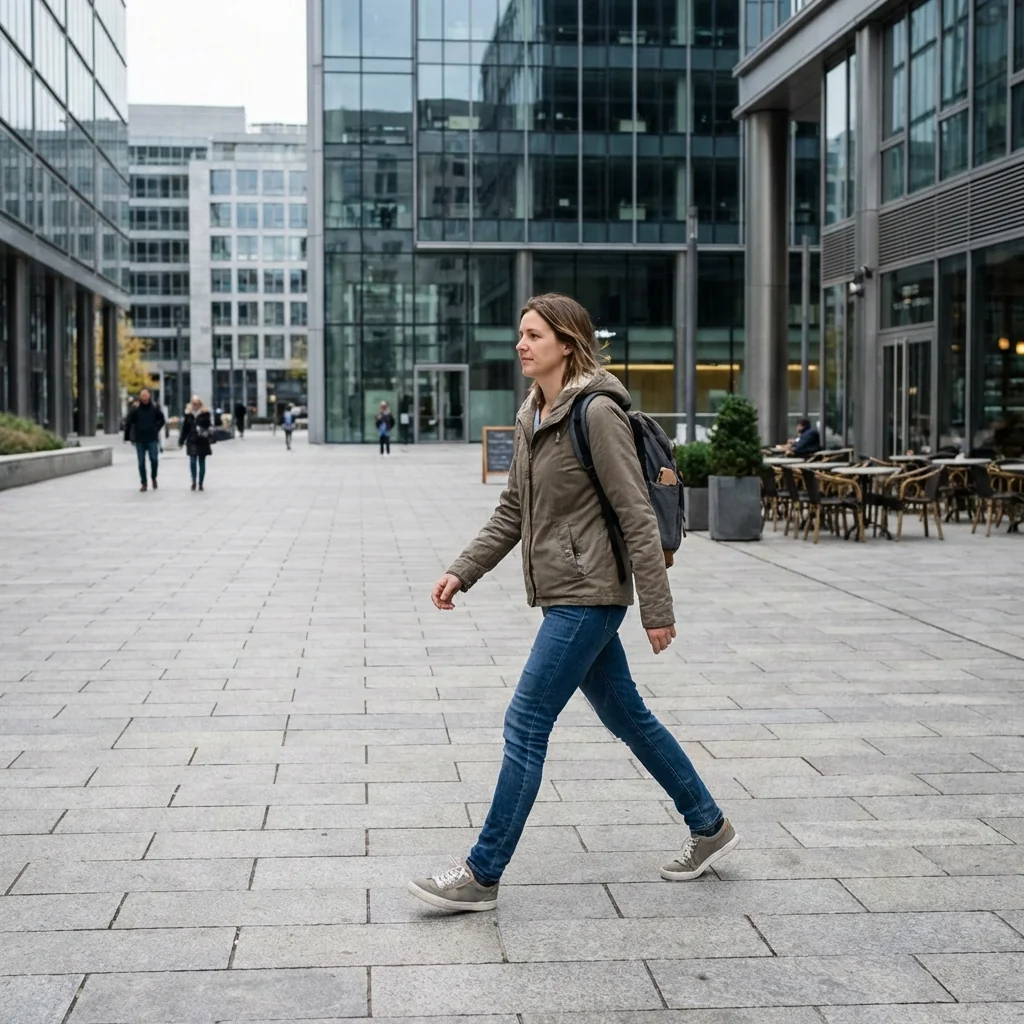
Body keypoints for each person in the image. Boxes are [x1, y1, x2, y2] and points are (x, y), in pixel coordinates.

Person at [407, 293, 736, 914]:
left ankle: (481, 872)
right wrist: (462, 570)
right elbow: (512, 513)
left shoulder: (598, 412)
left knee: (525, 722)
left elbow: (636, 512)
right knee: (628, 717)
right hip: (567, 591)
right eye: (520, 335)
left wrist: (656, 610)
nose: (520, 345)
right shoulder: (534, 413)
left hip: (589, 596)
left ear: (566, 341)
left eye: (532, 335)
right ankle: (709, 823)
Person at [123, 388, 166, 492]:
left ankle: (153, 477)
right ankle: (144, 483)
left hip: (152, 438)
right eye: (142, 395)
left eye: (146, 395)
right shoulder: (136, 410)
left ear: (149, 396)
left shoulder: (154, 409)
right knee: (141, 462)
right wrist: (128, 436)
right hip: (140, 439)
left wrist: (156, 429)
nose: (144, 397)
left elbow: (162, 419)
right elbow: (128, 422)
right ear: (140, 397)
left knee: (154, 459)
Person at [179, 395, 213, 492]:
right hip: (191, 440)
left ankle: (201, 482)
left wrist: (200, 421)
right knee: (193, 462)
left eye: (197, 403)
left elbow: (208, 425)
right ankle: (194, 481)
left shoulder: (205, 414)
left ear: (200, 403)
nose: (195, 405)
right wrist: (181, 440)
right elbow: (185, 428)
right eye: (193, 403)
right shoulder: (188, 414)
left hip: (202, 440)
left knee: (201, 462)